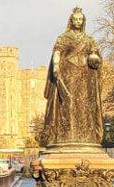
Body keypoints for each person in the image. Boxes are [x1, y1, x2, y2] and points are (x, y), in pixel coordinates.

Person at [43, 7, 103, 146]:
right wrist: (56, 65)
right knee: (68, 103)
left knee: (85, 104)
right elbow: (57, 52)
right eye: (76, 19)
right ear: (71, 20)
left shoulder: (89, 39)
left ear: (83, 21)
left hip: (85, 76)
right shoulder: (64, 37)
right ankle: (66, 133)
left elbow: (96, 56)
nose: (78, 21)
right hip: (68, 74)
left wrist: (95, 57)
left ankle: (86, 134)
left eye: (80, 19)